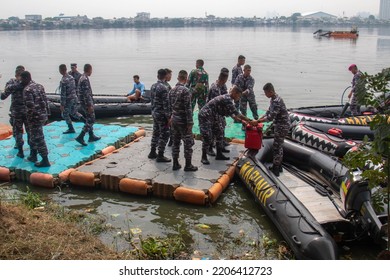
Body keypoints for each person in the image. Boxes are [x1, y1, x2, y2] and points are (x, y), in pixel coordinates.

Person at [199, 85, 257, 165]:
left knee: (219, 132)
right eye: (239, 96)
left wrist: (242, 121)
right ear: (234, 93)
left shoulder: (229, 100)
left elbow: (232, 115)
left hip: (215, 115)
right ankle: (203, 157)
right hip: (205, 115)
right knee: (207, 136)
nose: (239, 98)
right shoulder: (227, 99)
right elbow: (237, 113)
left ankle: (219, 154)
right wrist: (250, 121)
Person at [256, 83, 290, 177]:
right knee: (278, 146)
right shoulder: (273, 99)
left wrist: (259, 121)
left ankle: (276, 169)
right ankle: (279, 166)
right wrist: (260, 118)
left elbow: (270, 117)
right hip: (280, 125)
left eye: (266, 93)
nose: (265, 95)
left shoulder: (277, 101)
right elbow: (268, 112)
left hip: (282, 125)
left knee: (276, 146)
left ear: (270, 91)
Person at [168, 70, 197, 171]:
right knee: (188, 143)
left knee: (175, 142)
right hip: (183, 121)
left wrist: (170, 117)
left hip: (174, 119)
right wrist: (190, 122)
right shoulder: (185, 90)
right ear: (186, 78)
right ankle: (188, 165)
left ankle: (175, 163)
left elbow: (169, 107)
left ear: (178, 78)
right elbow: (188, 108)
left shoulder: (172, 90)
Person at [20, 71, 50, 167]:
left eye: (21, 80)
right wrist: (47, 115)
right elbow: (45, 101)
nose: (20, 82)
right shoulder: (39, 86)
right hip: (42, 115)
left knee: (38, 138)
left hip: (35, 118)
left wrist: (29, 119)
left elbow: (30, 107)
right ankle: (33, 155)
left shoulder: (27, 90)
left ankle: (45, 159)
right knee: (33, 137)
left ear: (25, 78)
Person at [1, 65, 27, 157]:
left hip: (16, 111)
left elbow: (3, 96)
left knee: (17, 130)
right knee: (30, 130)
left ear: (16, 73)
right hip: (28, 110)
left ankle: (20, 150)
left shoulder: (12, 83)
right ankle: (33, 152)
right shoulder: (29, 82)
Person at [148, 69, 171, 162]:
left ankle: (152, 151)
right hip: (162, 114)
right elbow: (166, 104)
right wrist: (169, 117)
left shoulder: (153, 86)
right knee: (165, 134)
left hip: (154, 112)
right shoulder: (164, 88)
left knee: (156, 132)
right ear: (165, 76)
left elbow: (152, 100)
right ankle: (160, 155)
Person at [75, 64, 101, 146]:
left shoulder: (82, 77)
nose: (91, 72)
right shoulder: (85, 79)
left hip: (83, 102)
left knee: (88, 119)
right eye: (91, 70)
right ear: (89, 70)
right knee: (91, 120)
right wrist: (89, 105)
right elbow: (86, 94)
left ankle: (91, 135)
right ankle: (81, 136)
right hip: (86, 103)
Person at [206, 70, 230, 156]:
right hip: (212, 113)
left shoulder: (219, 87)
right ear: (224, 79)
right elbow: (216, 104)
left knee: (221, 126)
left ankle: (220, 145)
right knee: (213, 130)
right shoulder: (215, 88)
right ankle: (209, 148)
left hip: (218, 113)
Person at [59, 64, 84, 134]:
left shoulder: (64, 80)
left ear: (60, 70)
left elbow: (63, 94)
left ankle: (71, 128)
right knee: (74, 113)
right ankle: (86, 122)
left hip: (68, 100)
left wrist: (62, 104)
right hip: (74, 98)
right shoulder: (71, 77)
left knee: (64, 114)